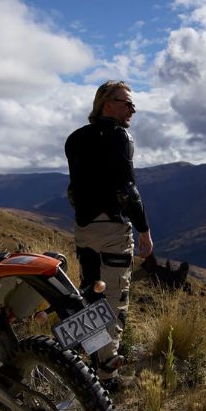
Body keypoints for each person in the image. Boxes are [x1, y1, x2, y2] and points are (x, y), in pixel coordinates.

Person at [65, 80, 153, 392]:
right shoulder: (119, 136)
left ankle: (86, 357)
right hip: (112, 230)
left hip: (84, 229)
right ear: (107, 104)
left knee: (92, 297)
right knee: (115, 300)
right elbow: (127, 189)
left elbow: (74, 189)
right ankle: (107, 376)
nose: (132, 110)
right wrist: (144, 230)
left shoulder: (75, 138)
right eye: (127, 103)